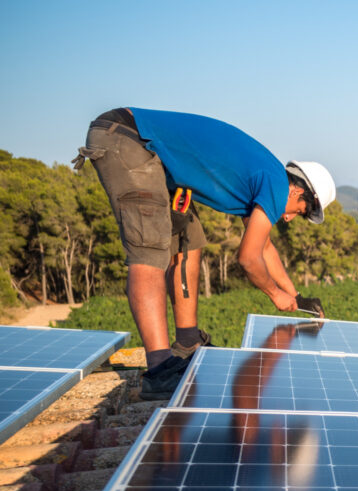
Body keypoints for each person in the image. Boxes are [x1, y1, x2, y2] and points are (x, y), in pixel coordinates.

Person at [74, 107, 332, 399]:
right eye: (300, 212)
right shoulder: (275, 184)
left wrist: (296, 297)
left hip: (153, 156)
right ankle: (160, 370)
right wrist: (275, 294)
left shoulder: (268, 176)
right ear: (299, 193)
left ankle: (188, 341)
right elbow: (248, 258)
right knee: (150, 248)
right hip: (129, 139)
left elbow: (265, 247)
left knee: (190, 239)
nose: (289, 219)